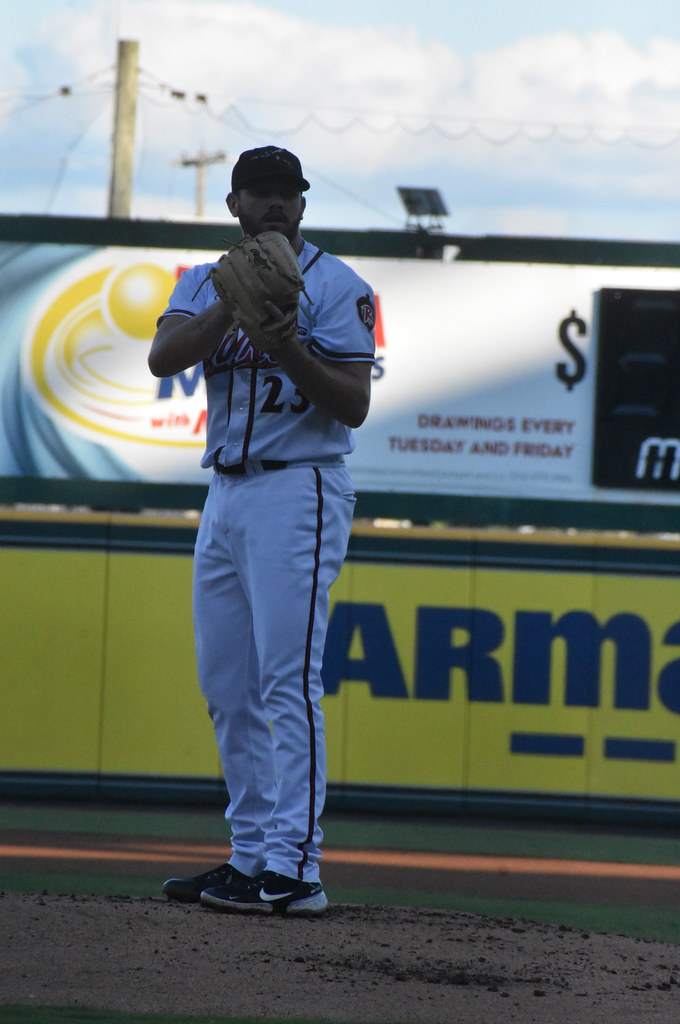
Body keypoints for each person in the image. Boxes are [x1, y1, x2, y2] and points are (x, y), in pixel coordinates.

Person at [148, 145, 376, 917]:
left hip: (299, 488)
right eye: (261, 192)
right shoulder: (203, 279)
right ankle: (250, 855)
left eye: (287, 193)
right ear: (236, 204)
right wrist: (228, 306)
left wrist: (285, 345)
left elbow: (350, 404)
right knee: (227, 687)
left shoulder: (339, 285)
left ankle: (297, 867)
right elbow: (162, 357)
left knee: (287, 681)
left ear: (303, 205)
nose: (275, 204)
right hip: (225, 496)